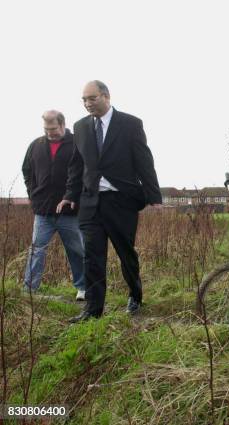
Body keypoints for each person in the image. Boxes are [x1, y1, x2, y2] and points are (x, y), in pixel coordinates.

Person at [57, 81, 162, 323]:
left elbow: (144, 161)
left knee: (126, 253)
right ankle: (93, 311)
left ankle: (135, 295)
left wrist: (154, 196)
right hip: (90, 202)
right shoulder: (81, 127)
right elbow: (76, 165)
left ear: (106, 96)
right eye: (83, 100)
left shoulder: (130, 124)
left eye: (92, 98)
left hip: (121, 201)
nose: (87, 104)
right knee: (92, 257)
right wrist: (69, 195)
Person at [22, 110, 86, 300]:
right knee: (37, 249)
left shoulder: (77, 142)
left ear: (63, 124)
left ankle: (83, 288)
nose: (50, 133)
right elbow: (26, 170)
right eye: (46, 129)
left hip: (70, 212)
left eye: (53, 128)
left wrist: (77, 196)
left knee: (76, 250)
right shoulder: (36, 145)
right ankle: (30, 290)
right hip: (42, 211)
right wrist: (32, 194)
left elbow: (85, 171)